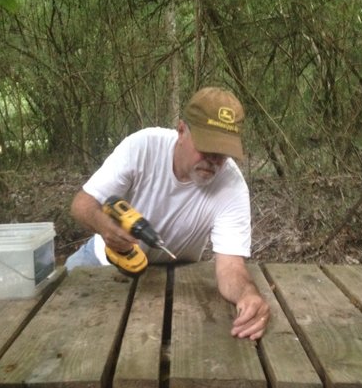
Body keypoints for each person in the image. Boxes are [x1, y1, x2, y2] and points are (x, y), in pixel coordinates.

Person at [66, 87, 270, 340]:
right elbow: (82, 204)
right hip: (102, 262)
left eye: (222, 153)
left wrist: (248, 295)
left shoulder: (232, 187)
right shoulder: (143, 146)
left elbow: (230, 267)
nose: (213, 160)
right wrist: (105, 227)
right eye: (206, 147)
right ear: (182, 130)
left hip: (177, 277)